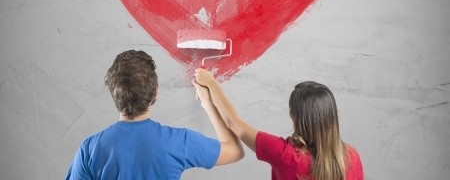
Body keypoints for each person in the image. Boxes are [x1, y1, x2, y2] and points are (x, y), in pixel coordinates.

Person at [65, 50, 244, 180]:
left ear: (112, 93)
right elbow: (235, 151)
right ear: (155, 93)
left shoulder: (90, 149)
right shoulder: (179, 141)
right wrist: (208, 103)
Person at [194, 69, 364, 180]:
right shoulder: (352, 157)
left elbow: (233, 123)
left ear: (293, 115)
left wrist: (210, 83)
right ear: (333, 116)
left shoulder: (285, 155)